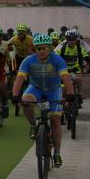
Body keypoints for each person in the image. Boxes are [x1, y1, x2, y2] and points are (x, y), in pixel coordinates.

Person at [12, 33, 75, 168]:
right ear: (34, 49)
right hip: (36, 88)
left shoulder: (57, 59)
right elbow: (20, 78)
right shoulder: (28, 60)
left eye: (44, 48)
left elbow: (65, 78)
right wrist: (15, 94)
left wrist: (70, 93)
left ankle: (57, 153)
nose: (41, 51)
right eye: (38, 48)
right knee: (25, 101)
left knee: (55, 120)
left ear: (50, 48)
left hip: (53, 90)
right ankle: (33, 125)